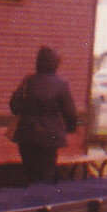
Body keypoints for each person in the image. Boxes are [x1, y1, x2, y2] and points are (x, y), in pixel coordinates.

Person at [8, 45, 78, 185]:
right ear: (55, 63)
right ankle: (42, 204)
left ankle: (29, 204)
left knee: (29, 173)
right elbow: (70, 112)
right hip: (49, 136)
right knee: (46, 174)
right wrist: (70, 128)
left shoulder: (28, 81)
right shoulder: (61, 84)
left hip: (26, 134)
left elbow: (13, 104)